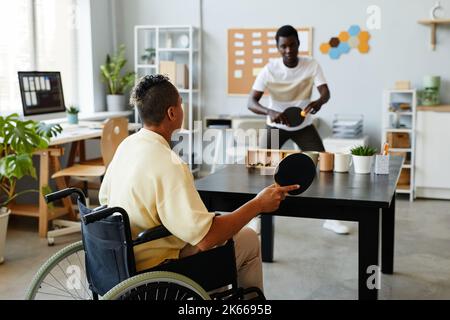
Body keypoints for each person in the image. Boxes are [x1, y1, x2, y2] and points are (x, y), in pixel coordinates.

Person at [99, 74, 299, 295]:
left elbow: (104, 201)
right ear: (172, 113)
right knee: (249, 238)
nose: (182, 110)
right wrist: (258, 205)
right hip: (155, 270)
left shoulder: (126, 146)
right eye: (180, 105)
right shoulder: (169, 163)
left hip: (122, 259)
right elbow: (206, 239)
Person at [247, 25, 349, 235]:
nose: (288, 50)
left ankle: (330, 217)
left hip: (303, 126)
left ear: (298, 44)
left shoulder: (311, 65)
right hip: (276, 125)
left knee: (324, 165)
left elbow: (326, 93)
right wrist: (270, 112)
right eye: (283, 46)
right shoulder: (270, 69)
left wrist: (318, 102)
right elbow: (251, 102)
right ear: (278, 47)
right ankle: (255, 217)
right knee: (260, 169)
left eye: (292, 45)